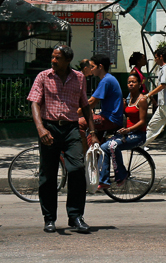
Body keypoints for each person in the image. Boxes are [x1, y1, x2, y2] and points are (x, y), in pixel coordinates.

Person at [27, 45, 96, 234]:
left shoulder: (79, 78)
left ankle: (75, 216)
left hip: (71, 129)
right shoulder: (43, 76)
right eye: (52, 57)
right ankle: (49, 219)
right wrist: (41, 128)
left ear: (67, 60)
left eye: (57, 58)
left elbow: (85, 105)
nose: (53, 61)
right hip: (49, 128)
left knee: (77, 169)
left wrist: (93, 132)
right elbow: (34, 103)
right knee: (48, 176)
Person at [99, 74, 148, 190]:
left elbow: (142, 122)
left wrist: (128, 129)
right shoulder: (128, 99)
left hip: (138, 135)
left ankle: (121, 174)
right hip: (127, 134)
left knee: (112, 145)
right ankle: (104, 179)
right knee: (103, 147)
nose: (131, 84)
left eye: (134, 82)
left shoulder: (142, 100)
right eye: (129, 82)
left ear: (140, 84)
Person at [78, 54, 124, 146]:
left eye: (92, 67)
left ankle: (81, 159)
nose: (91, 69)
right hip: (109, 116)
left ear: (100, 66)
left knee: (79, 123)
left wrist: (75, 113)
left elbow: (91, 102)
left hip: (110, 119)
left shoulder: (106, 81)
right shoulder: (109, 78)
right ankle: (93, 155)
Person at [144, 47, 166, 146]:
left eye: (156, 57)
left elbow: (162, 85)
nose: (155, 59)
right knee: (153, 125)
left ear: (161, 57)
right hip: (162, 104)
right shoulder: (161, 69)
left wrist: (148, 95)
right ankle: (141, 144)